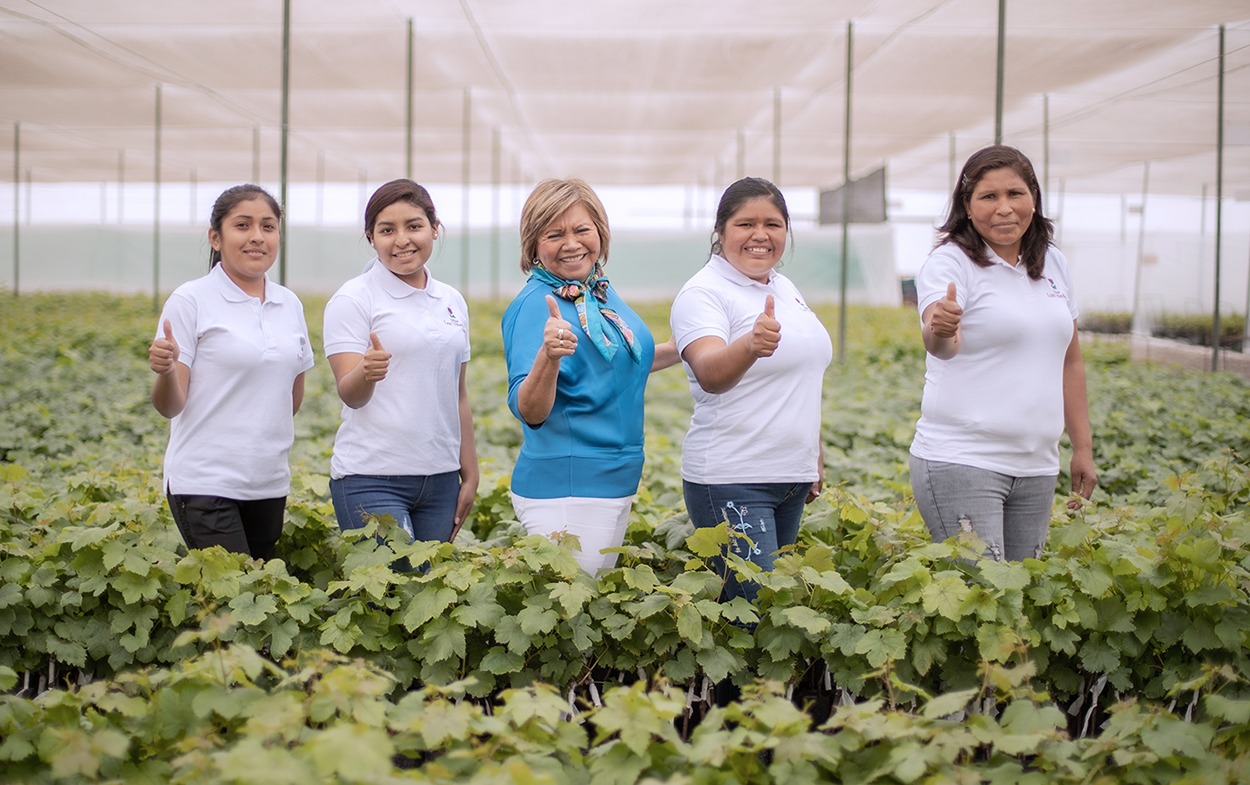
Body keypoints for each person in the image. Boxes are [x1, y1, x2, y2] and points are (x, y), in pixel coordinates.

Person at [909, 144, 1096, 561]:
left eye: (1015, 194)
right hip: (962, 460)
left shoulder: (1054, 264)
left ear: (1034, 197)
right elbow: (941, 345)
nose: (1004, 208)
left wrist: (1081, 447)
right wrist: (941, 326)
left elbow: (1070, 359)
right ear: (968, 206)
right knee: (984, 598)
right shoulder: (950, 263)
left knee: (1021, 597)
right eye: (988, 197)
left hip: (1037, 465)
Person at [501, 178, 678, 574]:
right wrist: (549, 356)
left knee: (592, 610)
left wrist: (690, 347)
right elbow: (529, 409)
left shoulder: (595, 292)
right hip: (567, 487)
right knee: (574, 615)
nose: (571, 243)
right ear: (533, 244)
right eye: (554, 233)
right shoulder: (535, 306)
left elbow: (618, 362)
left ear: (600, 231)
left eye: (582, 229)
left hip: (613, 481)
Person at [670, 177, 832, 603]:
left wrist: (813, 450)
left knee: (779, 608)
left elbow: (800, 375)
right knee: (753, 613)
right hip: (734, 479)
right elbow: (710, 372)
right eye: (746, 224)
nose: (761, 235)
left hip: (789, 477)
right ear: (721, 231)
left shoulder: (783, 287)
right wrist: (749, 345)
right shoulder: (703, 293)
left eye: (773, 224)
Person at [148, 184, 314, 560]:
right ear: (215, 237)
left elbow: (291, 396)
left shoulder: (289, 304)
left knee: (256, 601)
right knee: (236, 598)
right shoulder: (191, 300)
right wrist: (167, 371)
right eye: (243, 225)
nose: (257, 237)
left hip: (268, 482)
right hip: (205, 482)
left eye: (268, 227)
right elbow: (170, 406)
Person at [323, 179, 478, 544]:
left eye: (414, 225)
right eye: (387, 230)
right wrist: (366, 372)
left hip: (440, 479)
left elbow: (457, 395)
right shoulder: (354, 299)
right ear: (371, 238)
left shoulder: (451, 300)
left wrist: (468, 473)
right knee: (393, 592)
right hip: (370, 477)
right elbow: (352, 394)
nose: (402, 240)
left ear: (434, 229)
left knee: (426, 592)